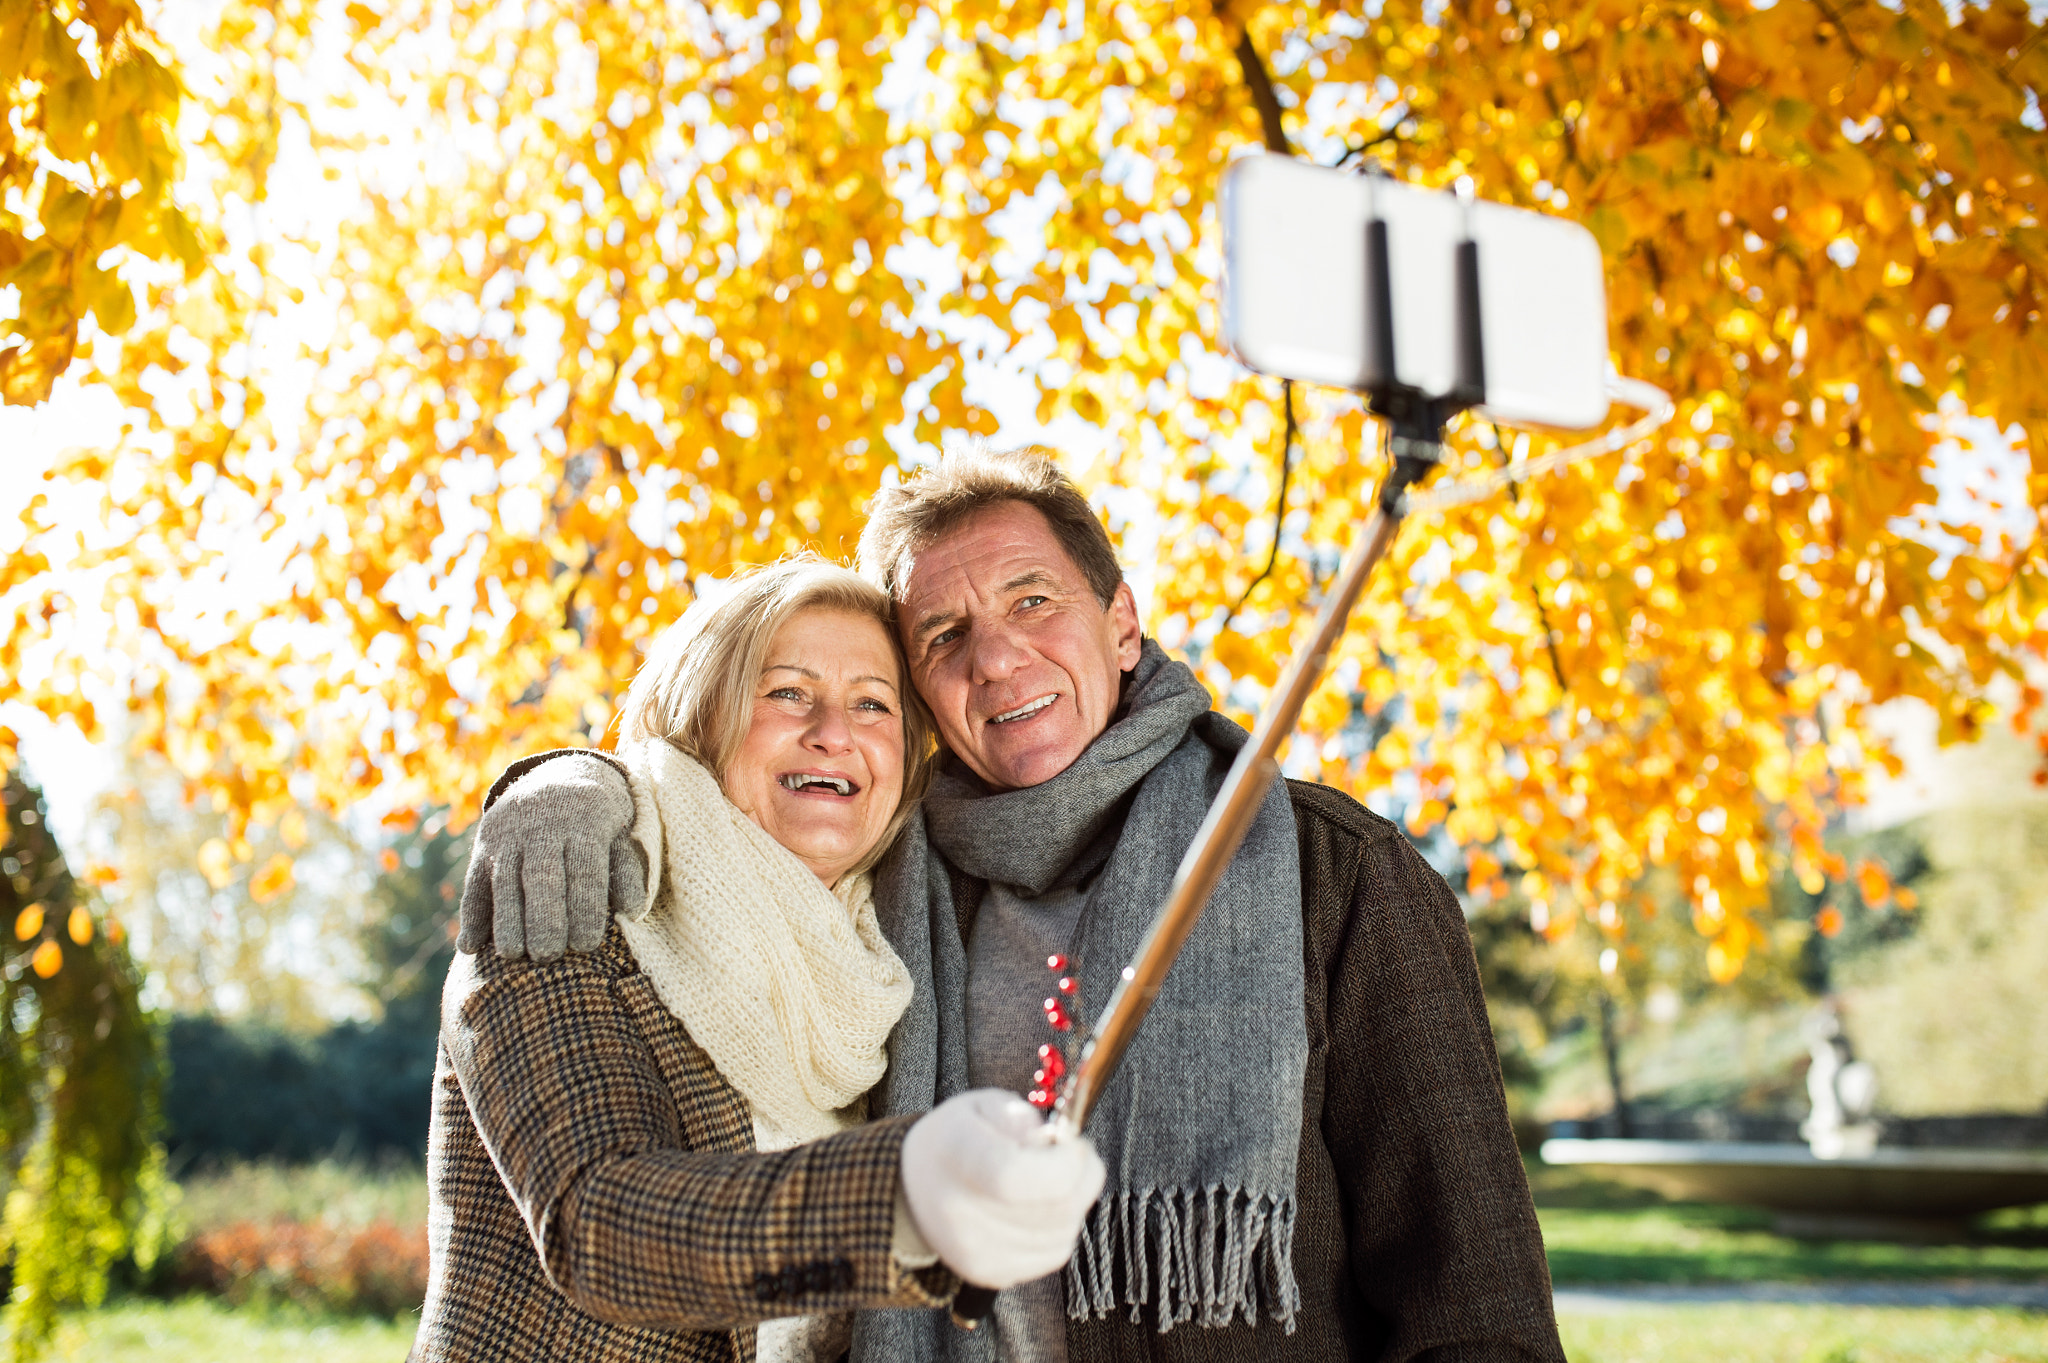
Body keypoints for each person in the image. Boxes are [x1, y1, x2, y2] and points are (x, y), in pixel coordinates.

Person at [463, 450, 1566, 1362]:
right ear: (930, 706)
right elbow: (609, 1212)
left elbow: (1475, 1308)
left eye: (1031, 600)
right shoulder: (877, 887)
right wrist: (568, 778)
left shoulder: (1332, 875)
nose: (995, 657)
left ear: (1122, 624)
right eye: (940, 638)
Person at [416, 556, 1105, 1363]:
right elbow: (599, 1225)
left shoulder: (893, 953)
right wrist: (906, 1193)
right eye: (786, 692)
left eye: (872, 704)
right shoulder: (572, 892)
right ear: (702, 715)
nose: (834, 732)